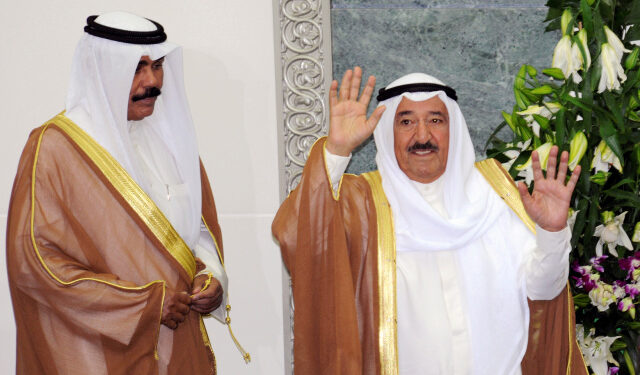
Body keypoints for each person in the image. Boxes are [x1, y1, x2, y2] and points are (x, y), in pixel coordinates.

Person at [272, 67, 588, 374]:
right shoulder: (361, 205)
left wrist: (551, 232)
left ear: (455, 129)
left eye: (435, 120)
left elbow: (544, 291)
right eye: (406, 121)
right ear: (387, 132)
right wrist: (337, 150)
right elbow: (298, 236)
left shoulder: (495, 196)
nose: (422, 135)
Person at [6, 11, 238, 374]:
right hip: (97, 352)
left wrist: (211, 278)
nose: (153, 82)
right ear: (102, 71)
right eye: (137, 68)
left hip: (177, 349)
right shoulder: (54, 147)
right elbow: (35, 263)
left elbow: (196, 233)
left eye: (158, 65)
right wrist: (141, 305)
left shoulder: (171, 142)